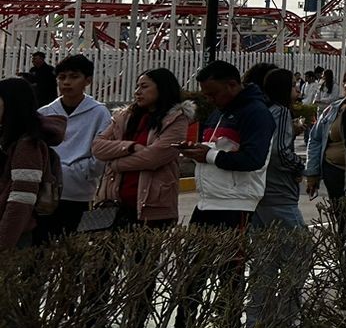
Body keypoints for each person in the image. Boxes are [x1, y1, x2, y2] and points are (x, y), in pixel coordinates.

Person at [179, 61, 273, 229]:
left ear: (232, 85)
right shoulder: (217, 113)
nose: (209, 99)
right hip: (208, 199)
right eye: (206, 95)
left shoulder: (256, 112)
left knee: (228, 255)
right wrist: (195, 152)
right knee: (193, 254)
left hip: (236, 202)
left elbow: (254, 159)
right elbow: (212, 151)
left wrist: (208, 155)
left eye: (213, 94)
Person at [92, 68, 188, 228]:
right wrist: (131, 146)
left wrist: (115, 164)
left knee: (144, 252)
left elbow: (153, 158)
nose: (137, 92)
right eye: (137, 87)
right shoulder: (124, 116)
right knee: (105, 252)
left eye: (144, 87)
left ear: (162, 88)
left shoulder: (176, 120)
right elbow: (97, 147)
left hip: (151, 207)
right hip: (113, 204)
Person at [33, 55, 113, 242]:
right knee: (39, 252)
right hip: (45, 196)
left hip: (79, 195)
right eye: (62, 77)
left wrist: (77, 172)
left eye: (74, 76)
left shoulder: (99, 113)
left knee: (74, 253)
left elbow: (101, 154)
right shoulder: (44, 113)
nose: (67, 82)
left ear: (88, 80)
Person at [1, 77, 58, 248]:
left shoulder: (26, 145)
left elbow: (22, 199)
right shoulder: (8, 139)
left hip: (13, 236)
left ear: (12, 104)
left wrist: (3, 242)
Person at [252, 66, 305, 228]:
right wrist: (298, 166)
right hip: (280, 192)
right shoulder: (281, 112)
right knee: (299, 249)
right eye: (293, 85)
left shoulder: (261, 110)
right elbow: (279, 150)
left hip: (259, 191)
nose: (297, 89)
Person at [305, 66, 346, 201]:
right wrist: (312, 174)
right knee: (340, 216)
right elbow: (315, 139)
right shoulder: (333, 110)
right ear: (344, 86)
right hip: (334, 172)